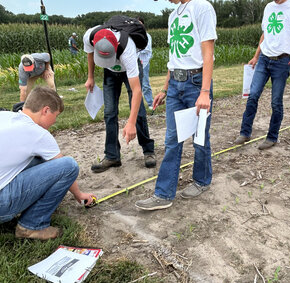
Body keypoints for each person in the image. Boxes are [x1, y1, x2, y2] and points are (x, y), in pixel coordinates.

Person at [0, 87, 96, 240]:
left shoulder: (2, 116)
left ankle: (27, 211)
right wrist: (79, 195)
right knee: (69, 166)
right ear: (45, 110)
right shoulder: (37, 134)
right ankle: (32, 226)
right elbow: (63, 167)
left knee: (41, 159)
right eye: (56, 115)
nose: (55, 121)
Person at [135, 0, 217, 211]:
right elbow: (175, 57)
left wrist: (205, 92)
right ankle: (164, 194)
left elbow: (208, 53)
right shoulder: (173, 15)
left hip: (196, 83)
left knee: (199, 138)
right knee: (172, 139)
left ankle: (202, 180)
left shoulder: (202, 7)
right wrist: (164, 88)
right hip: (175, 85)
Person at [83, 17, 156, 172]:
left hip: (129, 72)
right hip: (110, 73)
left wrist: (130, 123)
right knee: (109, 112)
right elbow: (90, 53)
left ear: (115, 48)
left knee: (138, 112)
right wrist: (91, 77)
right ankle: (112, 156)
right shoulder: (90, 35)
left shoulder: (127, 48)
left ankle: (148, 150)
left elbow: (136, 91)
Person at [234, 0, 290, 151]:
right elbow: (265, 34)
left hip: (282, 61)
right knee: (253, 95)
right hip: (263, 59)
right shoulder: (269, 7)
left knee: (276, 101)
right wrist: (256, 56)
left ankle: (272, 137)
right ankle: (245, 132)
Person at [137, 17, 154, 108]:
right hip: (135, 64)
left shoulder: (147, 36)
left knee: (145, 84)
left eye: (141, 23)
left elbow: (146, 49)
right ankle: (139, 105)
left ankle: (150, 103)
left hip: (144, 63)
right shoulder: (133, 35)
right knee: (135, 86)